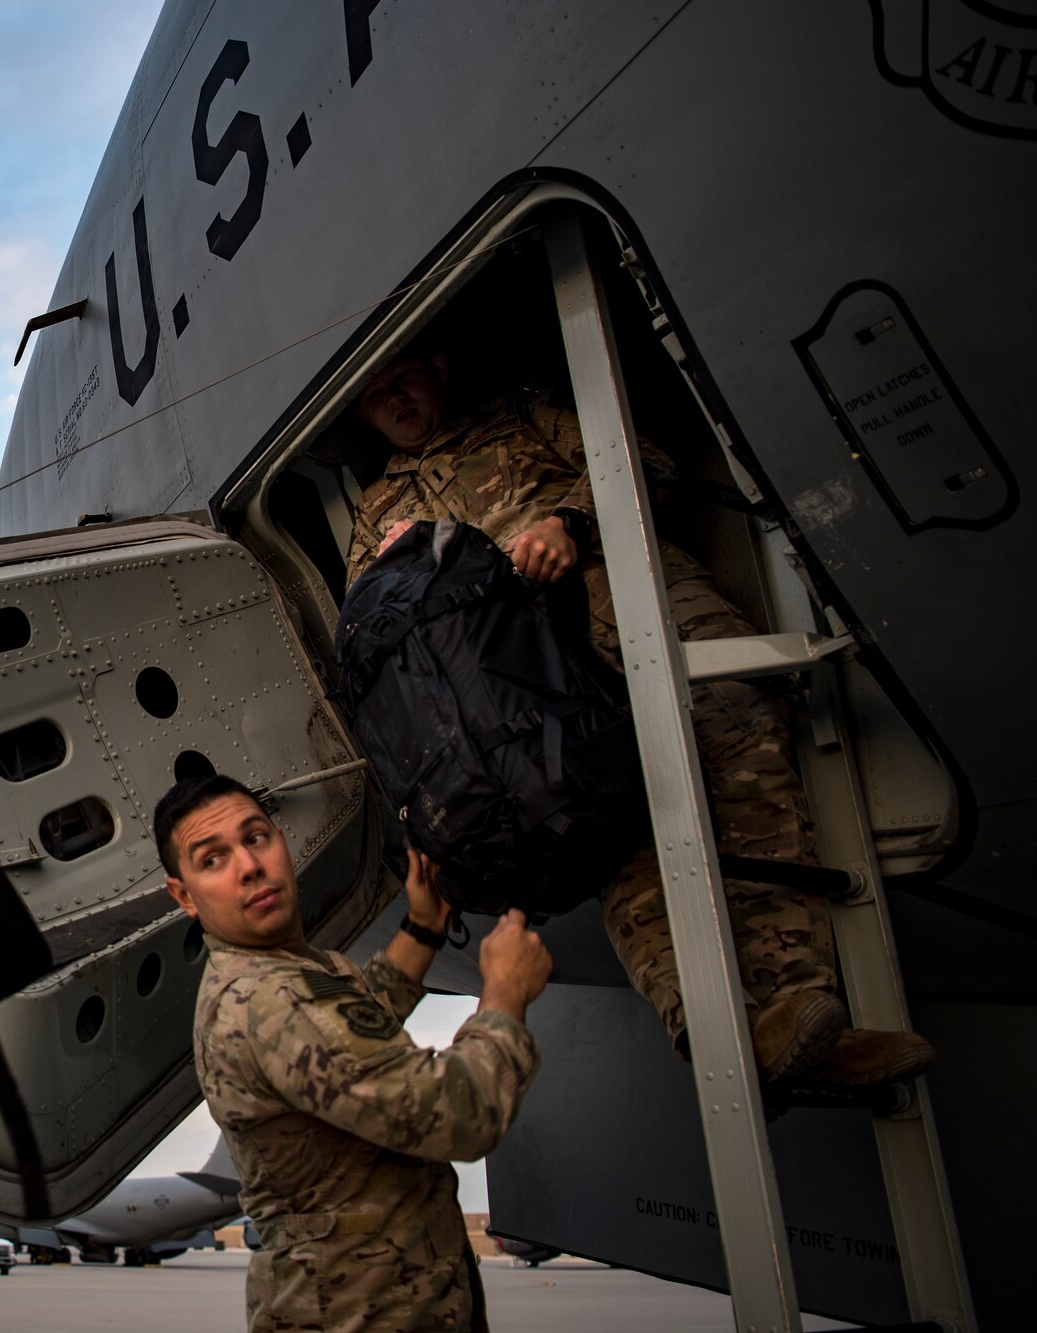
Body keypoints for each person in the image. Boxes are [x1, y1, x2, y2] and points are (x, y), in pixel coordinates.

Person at [342, 353, 933, 1088]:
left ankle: (795, 1003)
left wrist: (570, 524)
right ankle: (721, 1032)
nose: (394, 401)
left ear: (439, 372)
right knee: (602, 825)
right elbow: (372, 635)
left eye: (400, 380)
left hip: (616, 592)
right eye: (374, 401)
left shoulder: (521, 411)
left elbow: (643, 457)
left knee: (743, 735)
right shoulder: (375, 514)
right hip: (515, 677)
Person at [159, 773, 551, 1333]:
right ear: (184, 896)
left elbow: (357, 1030)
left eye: (255, 838)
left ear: (281, 840)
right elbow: (460, 1115)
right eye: (212, 859)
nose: (248, 866)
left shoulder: (297, 969)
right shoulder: (266, 1002)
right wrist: (505, 991)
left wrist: (422, 926)